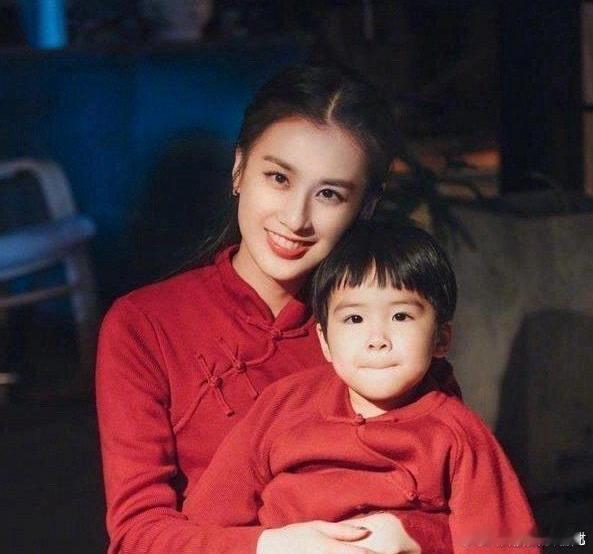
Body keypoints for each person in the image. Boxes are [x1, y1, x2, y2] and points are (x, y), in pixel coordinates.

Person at [96, 64, 459, 554]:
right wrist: (271, 546)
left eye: (329, 194)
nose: (295, 218)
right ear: (239, 168)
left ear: (367, 206)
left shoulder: (388, 325)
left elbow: (468, 502)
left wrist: (413, 535)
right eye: (279, 178)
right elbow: (136, 537)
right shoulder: (144, 325)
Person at [181, 220, 540, 554]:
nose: (377, 339)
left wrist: (417, 535)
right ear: (324, 341)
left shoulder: (456, 434)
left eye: (401, 316)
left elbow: (503, 544)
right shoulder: (283, 405)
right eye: (354, 318)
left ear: (441, 338)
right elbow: (207, 520)